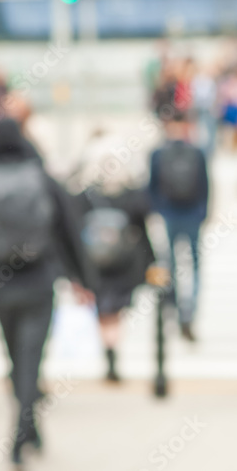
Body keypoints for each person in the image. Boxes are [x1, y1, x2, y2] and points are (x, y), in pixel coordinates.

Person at [0, 119, 97, 468]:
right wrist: (81, 278)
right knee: (31, 360)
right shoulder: (44, 180)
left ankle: (28, 430)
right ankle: (20, 436)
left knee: (15, 360)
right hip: (40, 280)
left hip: (1, 283)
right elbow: (68, 231)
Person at [72, 133, 156, 383]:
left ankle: (108, 351)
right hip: (124, 264)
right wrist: (151, 262)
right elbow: (143, 229)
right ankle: (112, 350)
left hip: (94, 264)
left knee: (102, 309)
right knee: (116, 311)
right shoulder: (131, 194)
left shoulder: (84, 195)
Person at [149, 111, 209, 341]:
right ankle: (188, 311)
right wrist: (204, 212)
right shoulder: (197, 152)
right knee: (194, 265)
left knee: (170, 263)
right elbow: (205, 185)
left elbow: (151, 187)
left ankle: (172, 306)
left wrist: (157, 211)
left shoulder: (158, 153)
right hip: (192, 214)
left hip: (169, 214)